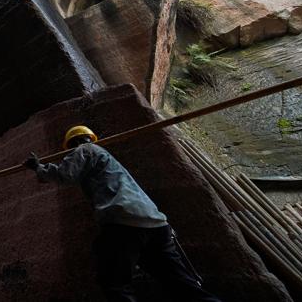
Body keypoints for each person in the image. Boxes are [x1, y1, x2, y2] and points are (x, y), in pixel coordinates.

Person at [24, 125, 220, 302]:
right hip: (157, 224)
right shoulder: (108, 160)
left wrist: (38, 167)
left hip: (123, 221)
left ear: (73, 144)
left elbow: (64, 175)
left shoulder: (85, 150)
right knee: (180, 283)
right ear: (91, 137)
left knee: (114, 284)